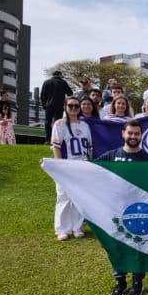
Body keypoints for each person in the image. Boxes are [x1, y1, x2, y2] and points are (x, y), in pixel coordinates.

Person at [95, 120, 148, 295]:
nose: (133, 137)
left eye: (137, 133)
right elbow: (88, 170)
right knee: (115, 246)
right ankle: (120, 282)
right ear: (123, 133)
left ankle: (137, 283)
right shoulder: (111, 156)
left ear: (141, 135)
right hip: (115, 210)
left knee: (138, 246)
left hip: (139, 210)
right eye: (130, 133)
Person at [50, 97, 93, 241]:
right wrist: (60, 165)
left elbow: (89, 147)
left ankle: (76, 227)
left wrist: (90, 162)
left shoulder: (84, 125)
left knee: (79, 197)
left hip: (82, 165)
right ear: (65, 106)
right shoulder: (60, 124)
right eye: (71, 105)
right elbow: (56, 147)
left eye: (76, 106)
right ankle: (62, 229)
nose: (74, 108)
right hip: (66, 165)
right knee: (63, 197)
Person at [41, 70, 73, 144]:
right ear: (60, 75)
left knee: (47, 122)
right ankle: (56, 139)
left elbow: (42, 95)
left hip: (48, 105)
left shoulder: (46, 82)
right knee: (58, 122)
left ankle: (47, 139)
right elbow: (70, 93)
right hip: (59, 105)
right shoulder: (63, 82)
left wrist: (44, 105)